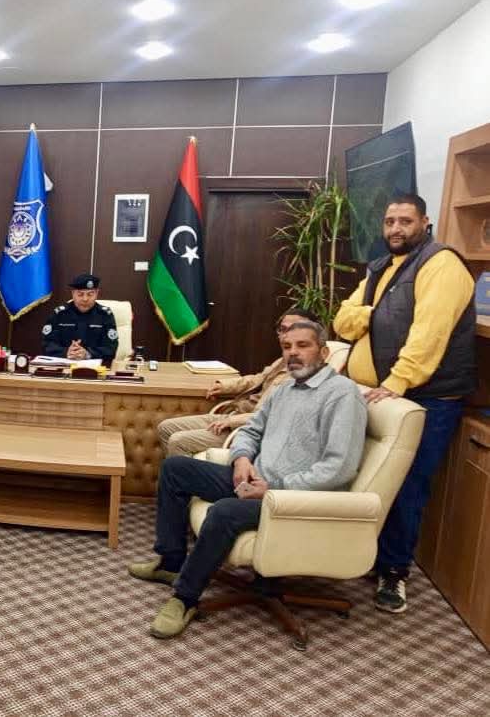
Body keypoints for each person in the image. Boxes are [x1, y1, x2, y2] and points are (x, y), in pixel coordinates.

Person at [128, 321, 367, 639]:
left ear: (323, 353)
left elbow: (339, 468)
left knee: (225, 511)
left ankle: (185, 598)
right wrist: (241, 459)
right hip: (255, 479)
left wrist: (274, 488)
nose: (293, 353)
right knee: (176, 469)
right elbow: (251, 431)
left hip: (292, 497)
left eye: (303, 346)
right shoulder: (284, 390)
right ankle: (171, 563)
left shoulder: (342, 395)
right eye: (287, 347)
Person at [334, 193, 476, 614]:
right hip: (380, 393)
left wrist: (397, 381)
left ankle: (394, 571)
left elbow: (429, 335)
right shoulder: (381, 266)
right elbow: (342, 321)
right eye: (390, 221)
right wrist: (369, 314)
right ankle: (366, 556)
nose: (396, 228)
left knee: (408, 483)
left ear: (425, 223)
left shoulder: (442, 264)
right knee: (369, 477)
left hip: (424, 397)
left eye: (405, 221)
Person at [156, 307, 319, 457]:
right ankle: (177, 475)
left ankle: (183, 477)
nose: (285, 335)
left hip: (251, 430)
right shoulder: (284, 359)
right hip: (238, 414)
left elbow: (277, 418)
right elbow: (258, 378)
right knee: (166, 427)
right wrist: (225, 386)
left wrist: (232, 421)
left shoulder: (307, 373)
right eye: (282, 329)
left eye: (294, 329)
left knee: (178, 441)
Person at [41, 273, 118, 361]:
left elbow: (111, 348)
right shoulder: (60, 314)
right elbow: (47, 344)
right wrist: (66, 352)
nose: (85, 299)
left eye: (90, 294)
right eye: (80, 294)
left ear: (97, 293)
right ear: (73, 294)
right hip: (64, 364)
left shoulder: (105, 315)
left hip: (93, 366)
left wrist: (88, 353)